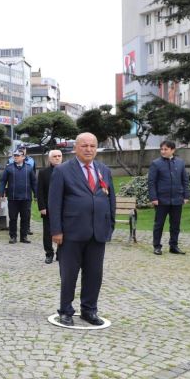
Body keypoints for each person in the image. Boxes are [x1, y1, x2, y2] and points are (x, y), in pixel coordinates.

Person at [48, 132, 115, 327]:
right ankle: (66, 310)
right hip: (71, 232)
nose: (88, 149)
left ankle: (89, 309)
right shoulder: (62, 171)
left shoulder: (104, 169)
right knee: (69, 274)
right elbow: (55, 203)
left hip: (97, 232)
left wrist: (109, 224)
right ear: (76, 148)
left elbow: (110, 199)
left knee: (94, 274)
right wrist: (56, 231)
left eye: (92, 146)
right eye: (84, 146)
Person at [147, 140, 190, 255]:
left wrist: (186, 195)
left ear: (172, 150)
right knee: (159, 224)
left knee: (175, 225)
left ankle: (173, 246)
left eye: (165, 149)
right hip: (161, 200)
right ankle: (157, 246)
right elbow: (151, 182)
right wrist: (153, 198)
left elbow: (185, 180)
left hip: (177, 199)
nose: (163, 151)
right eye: (161, 149)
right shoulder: (156, 163)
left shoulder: (180, 163)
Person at [0, 150, 37, 244]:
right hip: (13, 198)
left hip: (26, 198)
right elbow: (3, 181)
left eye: (17, 155)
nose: (15, 157)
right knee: (13, 218)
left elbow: (34, 182)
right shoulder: (9, 168)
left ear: (23, 157)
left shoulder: (29, 168)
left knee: (25, 218)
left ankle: (24, 237)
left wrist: (36, 194)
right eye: (14, 155)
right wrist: (1, 192)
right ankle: (13, 236)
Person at [37, 150, 63, 264]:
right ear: (49, 159)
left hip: (64, 207)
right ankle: (49, 253)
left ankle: (60, 253)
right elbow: (40, 192)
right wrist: (42, 207)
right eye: (54, 156)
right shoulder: (43, 173)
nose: (57, 158)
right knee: (47, 232)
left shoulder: (67, 171)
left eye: (59, 156)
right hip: (48, 208)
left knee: (63, 231)